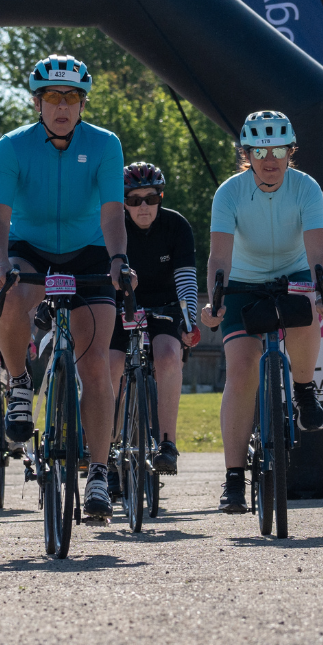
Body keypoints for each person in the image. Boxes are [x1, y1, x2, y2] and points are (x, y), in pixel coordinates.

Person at [0, 55, 133, 524]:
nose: (63, 106)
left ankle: (96, 473)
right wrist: (0, 261)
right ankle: (21, 384)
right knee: (10, 297)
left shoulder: (106, 145)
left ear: (83, 103)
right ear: (38, 102)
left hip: (88, 249)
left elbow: (112, 212)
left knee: (96, 365)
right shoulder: (11, 147)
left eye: (72, 97)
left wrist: (116, 259)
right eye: (53, 96)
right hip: (29, 247)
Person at [200, 110, 323, 514]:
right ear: (247, 154)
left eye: (279, 149)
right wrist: (217, 300)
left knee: (307, 311)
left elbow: (317, 253)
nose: (270, 159)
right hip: (242, 283)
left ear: (290, 151)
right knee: (242, 369)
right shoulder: (229, 192)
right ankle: (233, 478)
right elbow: (219, 258)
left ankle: (304, 389)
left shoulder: (306, 188)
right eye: (260, 150)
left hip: (293, 274)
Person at [107, 162, 201, 481]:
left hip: (164, 304)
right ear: (123, 202)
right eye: (134, 200)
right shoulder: (113, 226)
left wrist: (188, 321)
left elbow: (186, 279)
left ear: (161, 197)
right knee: (110, 366)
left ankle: (167, 443)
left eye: (150, 198)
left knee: (167, 357)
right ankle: (104, 444)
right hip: (122, 304)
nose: (143, 206)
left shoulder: (176, 226)